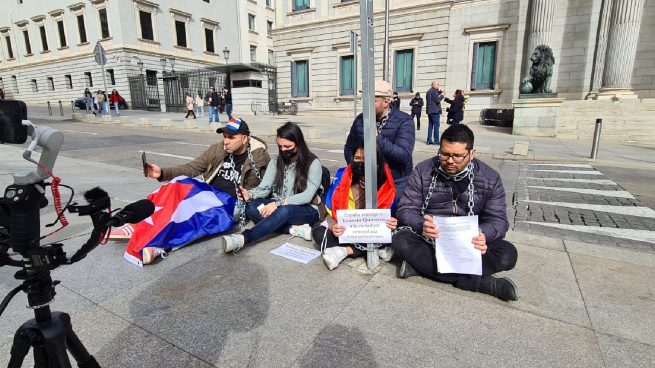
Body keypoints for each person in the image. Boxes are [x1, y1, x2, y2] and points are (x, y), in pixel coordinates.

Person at [111, 119, 270, 261]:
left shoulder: (259, 156)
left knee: (196, 215)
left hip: (231, 202)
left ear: (244, 138)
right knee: (177, 184)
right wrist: (163, 173)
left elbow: (266, 186)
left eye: (231, 137)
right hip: (207, 192)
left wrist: (252, 196)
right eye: (224, 136)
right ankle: (139, 224)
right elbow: (193, 167)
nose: (226, 141)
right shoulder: (218, 149)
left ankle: (161, 245)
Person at [391, 124, 519, 301]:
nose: (450, 161)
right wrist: (422, 225)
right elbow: (406, 209)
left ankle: (421, 268)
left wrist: (483, 234)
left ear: (472, 153)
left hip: (469, 244)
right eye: (444, 154)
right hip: (431, 240)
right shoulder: (423, 170)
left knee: (507, 254)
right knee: (400, 241)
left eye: (458, 156)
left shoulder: (490, 177)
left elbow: (498, 221)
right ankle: (480, 283)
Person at [220, 122, 323, 253]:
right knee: (251, 206)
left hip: (306, 209)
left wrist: (277, 204)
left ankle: (243, 238)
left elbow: (307, 196)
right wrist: (250, 194)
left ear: (298, 144)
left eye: (288, 146)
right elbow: (265, 187)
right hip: (280, 206)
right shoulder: (276, 161)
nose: (284, 150)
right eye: (280, 146)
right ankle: (292, 229)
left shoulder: (313, 163)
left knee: (284, 211)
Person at [313, 143, 397, 270]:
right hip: (348, 231)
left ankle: (346, 251)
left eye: (365, 159)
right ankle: (377, 248)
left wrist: (391, 222)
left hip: (371, 231)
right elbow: (331, 212)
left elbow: (391, 215)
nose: (361, 162)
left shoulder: (385, 181)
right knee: (319, 234)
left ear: (376, 161)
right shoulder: (342, 177)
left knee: (395, 234)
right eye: (357, 158)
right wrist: (334, 226)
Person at [344, 80, 415, 202]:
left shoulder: (404, 121)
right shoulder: (360, 120)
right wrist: (357, 167)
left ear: (386, 101)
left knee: (391, 218)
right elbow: (349, 148)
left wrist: (376, 137)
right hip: (365, 179)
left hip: (395, 181)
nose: (366, 104)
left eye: (372, 100)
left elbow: (404, 154)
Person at [425, 80, 444, 145]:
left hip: (430, 111)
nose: (439, 85)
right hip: (435, 111)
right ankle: (436, 141)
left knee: (430, 125)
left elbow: (433, 99)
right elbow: (437, 100)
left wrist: (439, 92)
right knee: (436, 125)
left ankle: (429, 140)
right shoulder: (434, 91)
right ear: (433, 85)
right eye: (437, 84)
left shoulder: (429, 91)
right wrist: (442, 95)